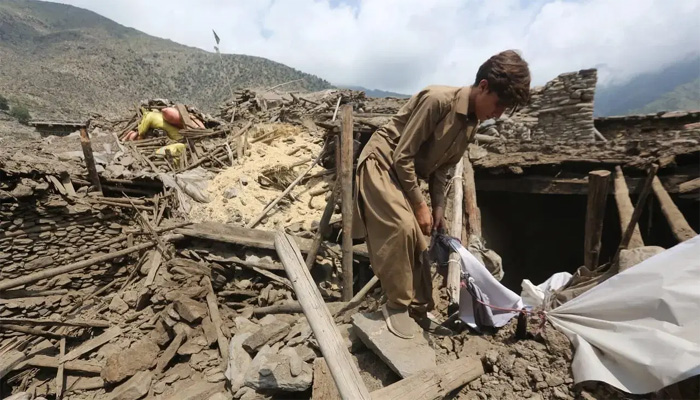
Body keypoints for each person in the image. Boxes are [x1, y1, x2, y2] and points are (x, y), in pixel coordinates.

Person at [352, 50, 531, 339]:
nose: (498, 114)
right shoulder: (437, 100)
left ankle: (418, 309)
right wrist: (419, 206)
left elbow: (442, 169)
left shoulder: (471, 124)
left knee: (422, 241)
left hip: (403, 173)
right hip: (382, 163)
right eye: (499, 104)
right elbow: (403, 156)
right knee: (402, 228)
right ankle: (396, 306)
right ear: (483, 86)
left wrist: (437, 208)